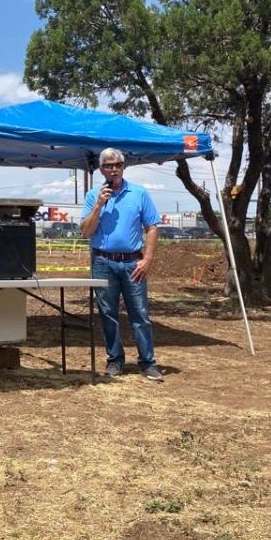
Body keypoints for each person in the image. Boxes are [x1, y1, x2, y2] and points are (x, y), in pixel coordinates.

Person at [80, 148, 163, 381]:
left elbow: (152, 227)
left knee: (140, 313)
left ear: (123, 166)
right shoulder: (93, 195)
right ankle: (115, 361)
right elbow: (86, 232)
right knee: (108, 314)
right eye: (108, 165)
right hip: (103, 262)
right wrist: (98, 205)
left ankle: (147, 362)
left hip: (133, 264)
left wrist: (147, 259)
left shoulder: (139, 194)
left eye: (117, 164)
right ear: (101, 169)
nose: (113, 169)